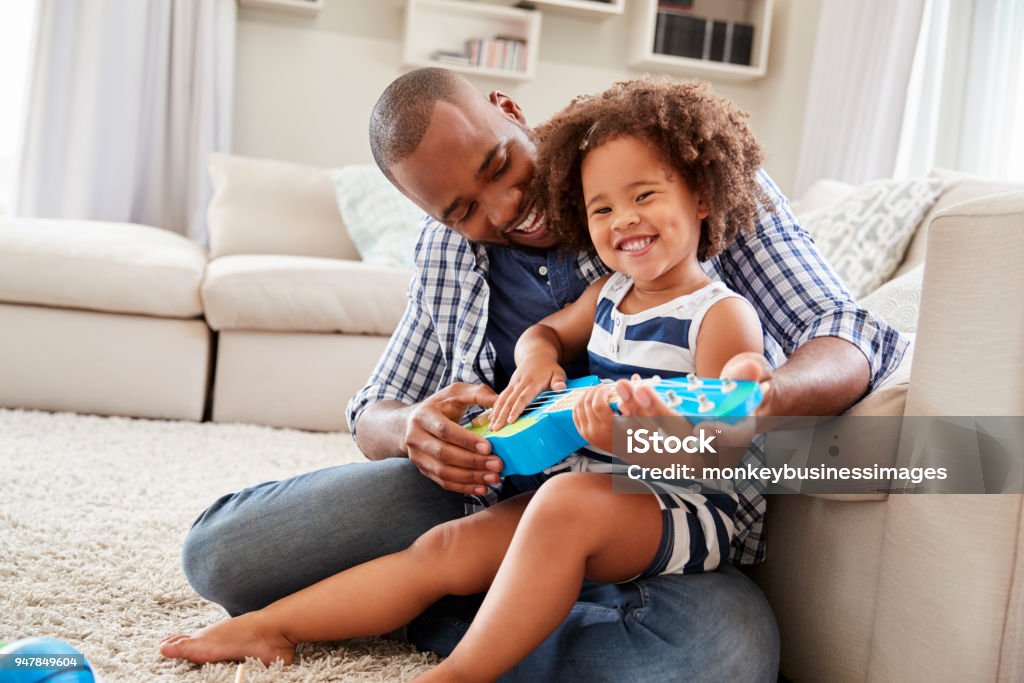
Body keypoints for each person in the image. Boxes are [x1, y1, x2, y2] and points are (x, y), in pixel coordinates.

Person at [175, 67, 907, 681]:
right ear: (428, 215)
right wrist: (412, 430)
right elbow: (375, 405)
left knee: (725, 654)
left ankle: (460, 622)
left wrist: (760, 395)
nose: (504, 209)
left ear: (510, 110)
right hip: (491, 495)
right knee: (223, 557)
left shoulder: (659, 178)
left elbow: (844, 332)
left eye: (500, 166)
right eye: (461, 209)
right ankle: (456, 602)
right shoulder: (454, 254)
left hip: (647, 505)